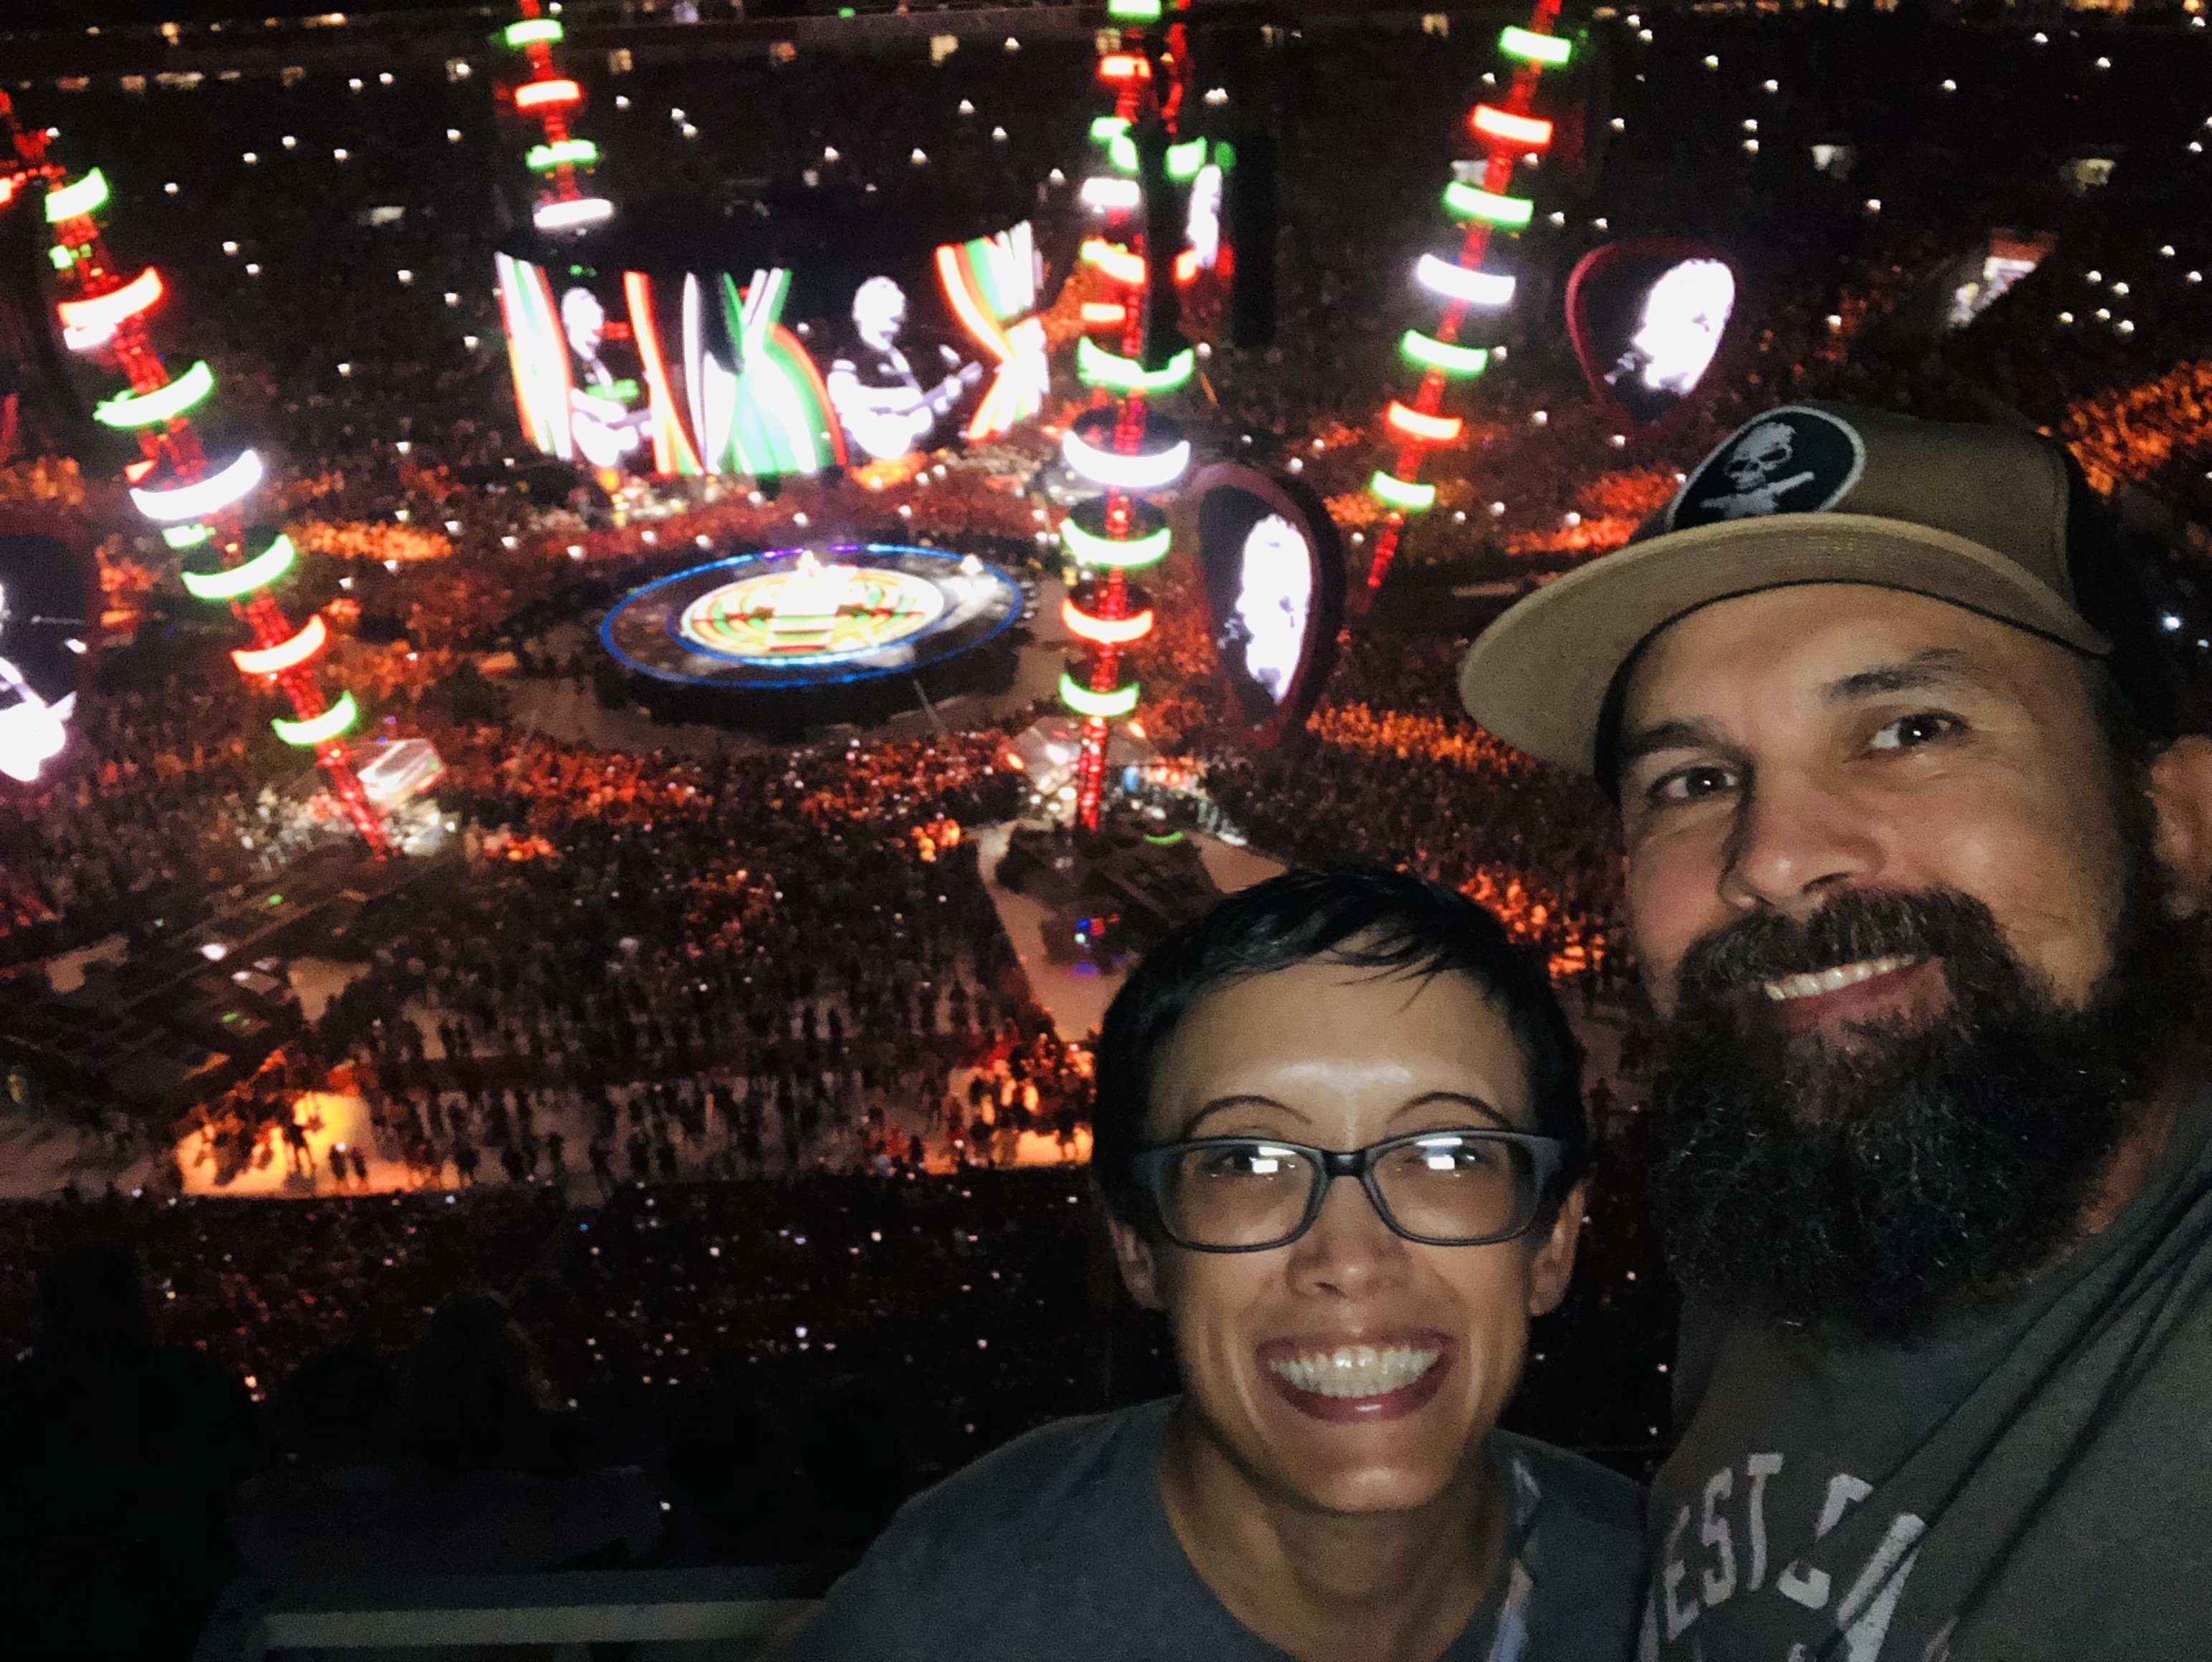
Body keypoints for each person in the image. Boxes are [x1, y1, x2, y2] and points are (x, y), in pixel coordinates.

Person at [1460, 400, 2212, 1659]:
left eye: (1909, 729)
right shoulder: (1784, 1225)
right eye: (1694, 781)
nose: (1771, 856)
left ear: (2178, 827)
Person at [779, 867, 1642, 1661]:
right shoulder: (945, 1617)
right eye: (1245, 1160)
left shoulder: (1670, 1598)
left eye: (1448, 1153)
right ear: (1137, 1248)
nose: (1349, 1259)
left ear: (1553, 1242)